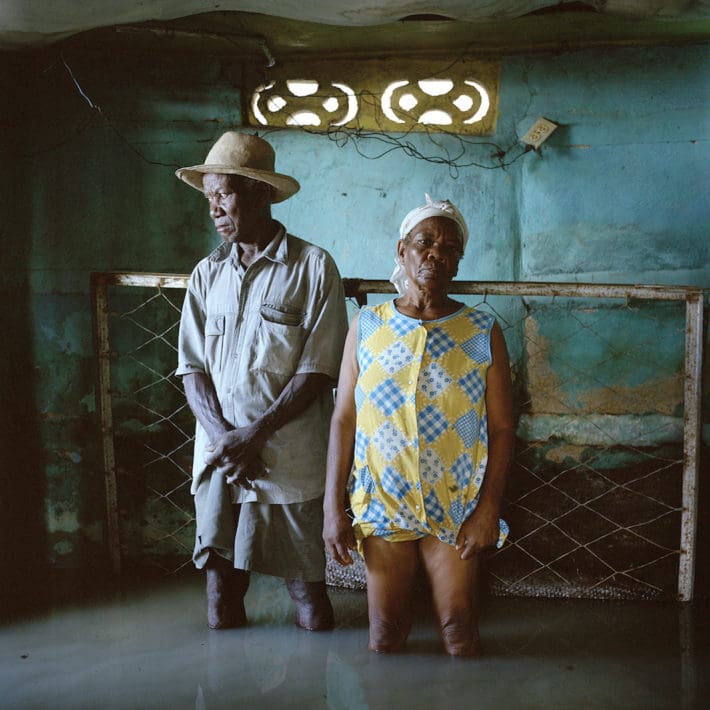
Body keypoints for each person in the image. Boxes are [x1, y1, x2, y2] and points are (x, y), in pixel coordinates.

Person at [323, 194, 514, 656]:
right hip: (383, 501)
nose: (436, 254)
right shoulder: (368, 324)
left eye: (449, 248)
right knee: (384, 638)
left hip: (456, 504)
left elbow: (504, 427)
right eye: (425, 242)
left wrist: (488, 510)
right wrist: (332, 510)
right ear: (401, 250)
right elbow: (344, 418)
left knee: (459, 635)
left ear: (458, 261)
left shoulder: (480, 329)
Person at [175, 131, 348, 631]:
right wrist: (224, 438)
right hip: (222, 459)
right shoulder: (207, 274)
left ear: (259, 193)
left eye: (223, 193)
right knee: (220, 595)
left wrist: (255, 434)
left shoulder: (312, 267)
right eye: (208, 196)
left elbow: (318, 368)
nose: (213, 208)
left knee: (310, 603)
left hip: (287, 460)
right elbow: (192, 368)